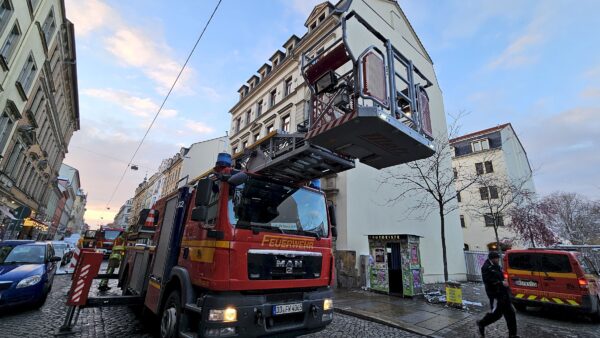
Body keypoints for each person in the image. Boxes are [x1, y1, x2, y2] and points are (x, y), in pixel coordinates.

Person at [476, 251, 519, 338]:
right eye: (496, 258)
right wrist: (501, 283)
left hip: (503, 294)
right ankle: (481, 323)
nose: (498, 259)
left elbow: (501, 277)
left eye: (498, 258)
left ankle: (513, 335)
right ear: (492, 258)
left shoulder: (497, 266)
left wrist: (507, 287)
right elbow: (488, 281)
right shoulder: (486, 267)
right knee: (496, 315)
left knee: (510, 313)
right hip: (495, 295)